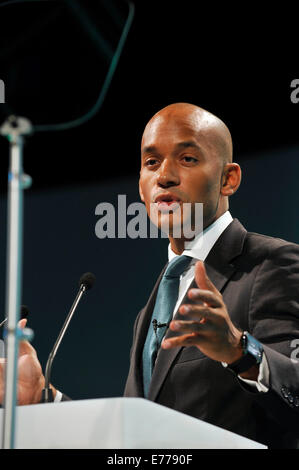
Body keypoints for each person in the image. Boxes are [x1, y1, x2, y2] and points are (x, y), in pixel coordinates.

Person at [1, 103, 299, 449]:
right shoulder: (154, 306)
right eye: (151, 162)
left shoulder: (272, 263)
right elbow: (141, 437)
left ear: (228, 179)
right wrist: (43, 397)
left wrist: (238, 349)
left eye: (187, 158)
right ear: (141, 187)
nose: (165, 176)